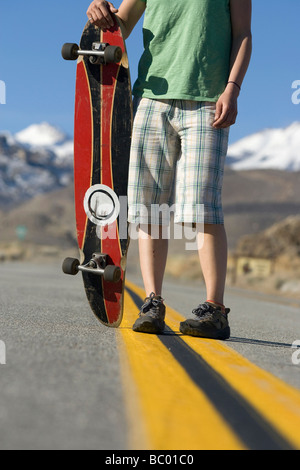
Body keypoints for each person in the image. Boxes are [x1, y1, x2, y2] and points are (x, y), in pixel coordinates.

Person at [87, 0, 252, 339]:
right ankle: (152, 302)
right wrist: (101, 14)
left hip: (209, 100)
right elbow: (121, 24)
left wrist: (232, 88)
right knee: (148, 207)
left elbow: (243, 34)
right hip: (150, 99)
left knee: (202, 206)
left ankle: (215, 310)